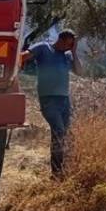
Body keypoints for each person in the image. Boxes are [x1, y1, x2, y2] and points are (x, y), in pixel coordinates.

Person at [21, 30, 81, 175]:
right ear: (60, 39)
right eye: (68, 44)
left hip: (64, 100)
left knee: (64, 134)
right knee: (59, 131)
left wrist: (74, 52)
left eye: (71, 45)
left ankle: (61, 169)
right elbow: (22, 57)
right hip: (48, 99)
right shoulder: (43, 47)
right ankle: (57, 171)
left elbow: (79, 71)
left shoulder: (67, 56)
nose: (69, 47)